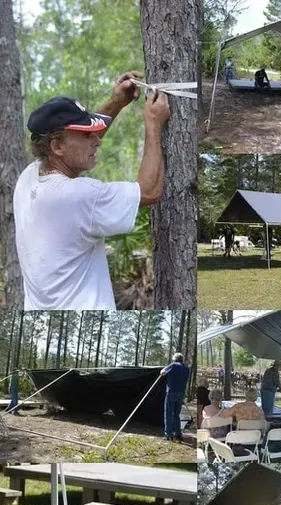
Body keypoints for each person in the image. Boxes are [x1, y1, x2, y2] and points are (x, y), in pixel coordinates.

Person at [14, 80, 170, 310]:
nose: (97, 140)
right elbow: (149, 190)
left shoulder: (29, 177)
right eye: (87, 135)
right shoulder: (78, 195)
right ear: (56, 146)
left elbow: (73, 143)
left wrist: (117, 102)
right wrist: (153, 124)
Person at [160, 353, 189, 442]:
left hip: (172, 392)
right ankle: (178, 434)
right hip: (181, 393)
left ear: (174, 359)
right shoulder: (186, 368)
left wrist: (164, 368)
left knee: (168, 413)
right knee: (176, 415)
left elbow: (162, 373)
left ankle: (168, 434)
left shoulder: (173, 365)